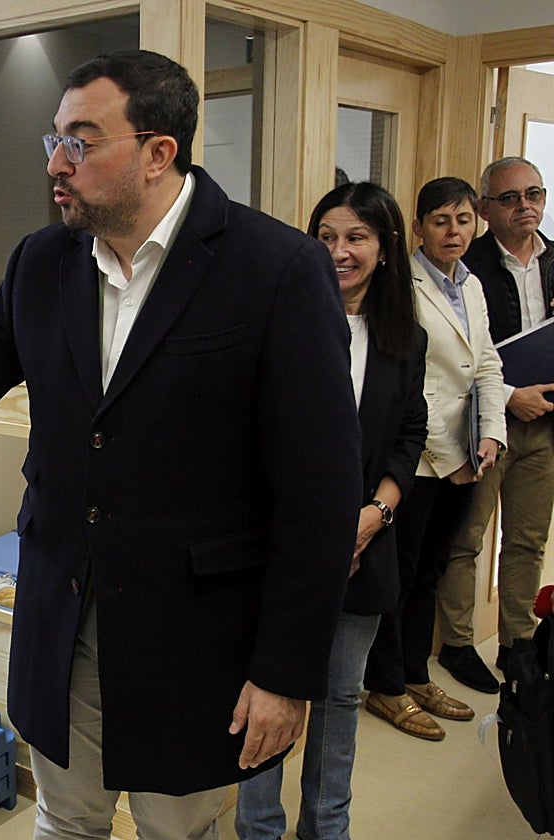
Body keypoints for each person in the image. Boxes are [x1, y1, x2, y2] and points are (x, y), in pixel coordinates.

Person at [0, 50, 362, 840]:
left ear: (159, 153)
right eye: (53, 140)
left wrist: (284, 673)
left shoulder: (275, 268)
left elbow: (320, 492)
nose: (56, 163)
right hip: (62, 608)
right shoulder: (43, 262)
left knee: (176, 829)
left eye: (82, 142)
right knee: (66, 818)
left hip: (194, 630)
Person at [235, 182, 427, 840]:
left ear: (384, 247)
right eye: (326, 236)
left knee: (340, 694)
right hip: (277, 550)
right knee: (263, 689)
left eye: (357, 237)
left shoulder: (404, 338)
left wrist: (375, 512)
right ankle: (258, 827)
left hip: (362, 548)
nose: (340, 251)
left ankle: (327, 827)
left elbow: (409, 439)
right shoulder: (273, 318)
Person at [363, 177, 506, 740]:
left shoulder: (470, 284)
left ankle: (417, 673)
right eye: (441, 221)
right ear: (418, 227)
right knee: (396, 577)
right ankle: (388, 686)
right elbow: (405, 389)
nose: (454, 231)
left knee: (431, 572)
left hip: (469, 454)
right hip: (419, 463)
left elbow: (487, 362)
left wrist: (491, 433)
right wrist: (451, 459)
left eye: (464, 220)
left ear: (478, 223)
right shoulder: (402, 286)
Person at [439, 157, 554, 690]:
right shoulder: (468, 264)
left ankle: (518, 643)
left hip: (546, 427)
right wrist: (510, 396)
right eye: (510, 198)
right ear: (485, 209)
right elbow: (457, 359)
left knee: (528, 541)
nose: (525, 206)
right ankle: (458, 644)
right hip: (486, 423)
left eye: (534, 194)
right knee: (466, 540)